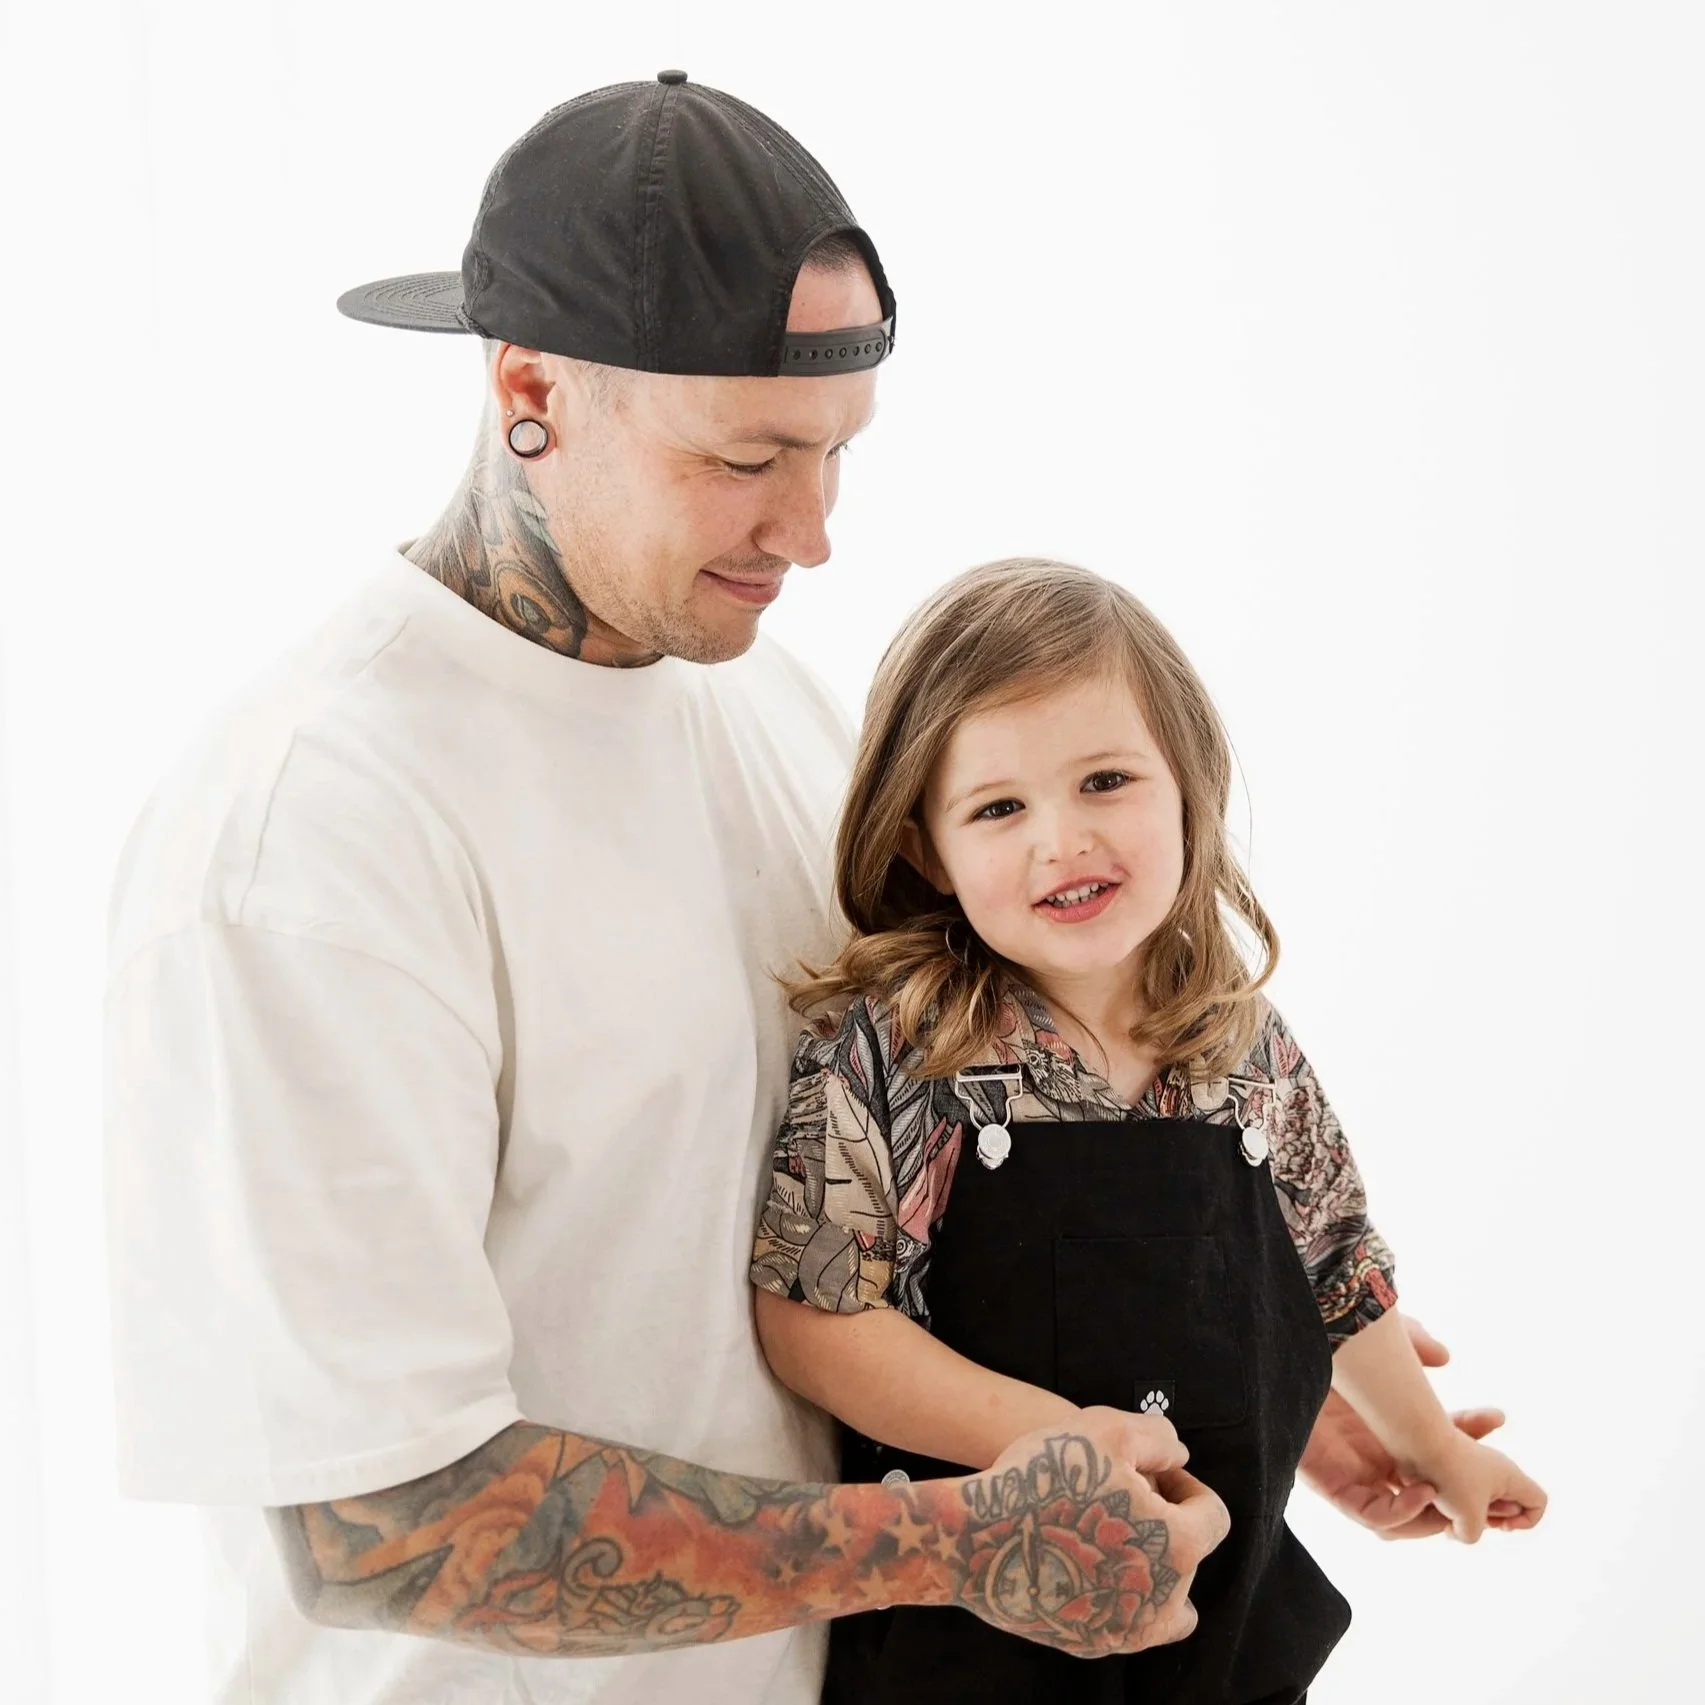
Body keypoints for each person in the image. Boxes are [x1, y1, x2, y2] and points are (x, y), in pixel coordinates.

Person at [101, 70, 1513, 1705]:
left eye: (837, 453)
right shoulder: (311, 839)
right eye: (748, 455)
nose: (812, 534)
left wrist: (1220, 1377)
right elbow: (383, 1528)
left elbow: (932, 1156)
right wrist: (956, 1543)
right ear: (531, 391)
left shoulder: (763, 704)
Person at [749, 558, 1548, 1703]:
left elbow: (1335, 1271)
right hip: (984, 1627)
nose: (1061, 839)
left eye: (1105, 780)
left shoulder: (1242, 1041)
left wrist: (1432, 1445)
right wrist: (1060, 1441)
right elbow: (816, 1320)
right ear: (925, 847)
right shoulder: (902, 1048)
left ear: (1189, 786)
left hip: (1230, 1616)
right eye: (999, 807)